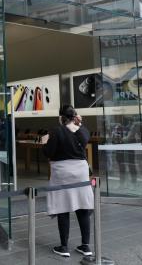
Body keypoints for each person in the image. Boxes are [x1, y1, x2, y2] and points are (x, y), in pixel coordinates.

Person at [42, 105, 94, 258]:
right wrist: (80, 123)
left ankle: (64, 246)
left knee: (63, 207)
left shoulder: (56, 131)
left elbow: (48, 152)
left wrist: (45, 141)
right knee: (83, 207)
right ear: (75, 116)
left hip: (62, 172)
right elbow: (83, 136)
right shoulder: (83, 131)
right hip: (81, 172)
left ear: (61, 117)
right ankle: (86, 246)